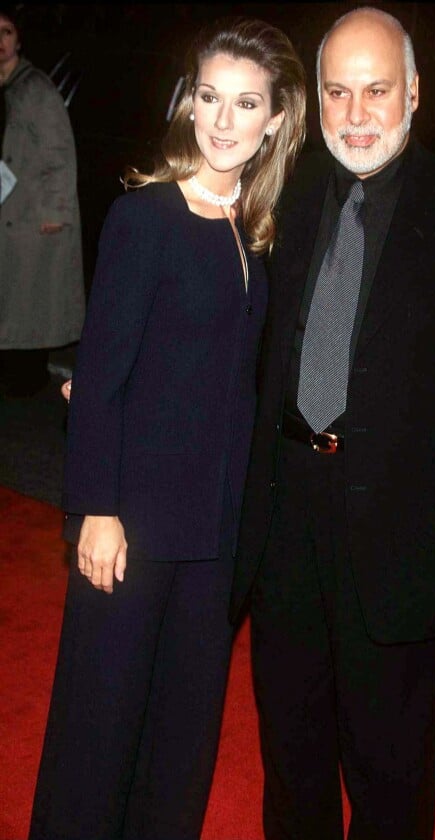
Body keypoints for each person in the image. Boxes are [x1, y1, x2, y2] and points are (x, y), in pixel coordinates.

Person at [228, 8, 435, 839]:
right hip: (284, 524)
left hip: (399, 535)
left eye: (376, 90)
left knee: (390, 767)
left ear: (414, 92)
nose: (355, 114)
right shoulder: (290, 188)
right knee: (292, 753)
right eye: (337, 92)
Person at [28, 17, 306, 840]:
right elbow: (99, 376)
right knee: (100, 723)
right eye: (210, 97)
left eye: (246, 102)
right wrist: (98, 510)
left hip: (214, 536)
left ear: (277, 119)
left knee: (183, 735)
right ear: (190, 104)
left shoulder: (257, 230)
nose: (223, 120)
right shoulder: (146, 216)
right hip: (134, 524)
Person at [0, 4, 85, 398]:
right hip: (8, 209)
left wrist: (55, 212)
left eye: (6, 32)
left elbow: (60, 155)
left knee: (27, 302)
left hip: (30, 212)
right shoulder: (7, 86)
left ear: (19, 39)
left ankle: (26, 382)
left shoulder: (35, 88)